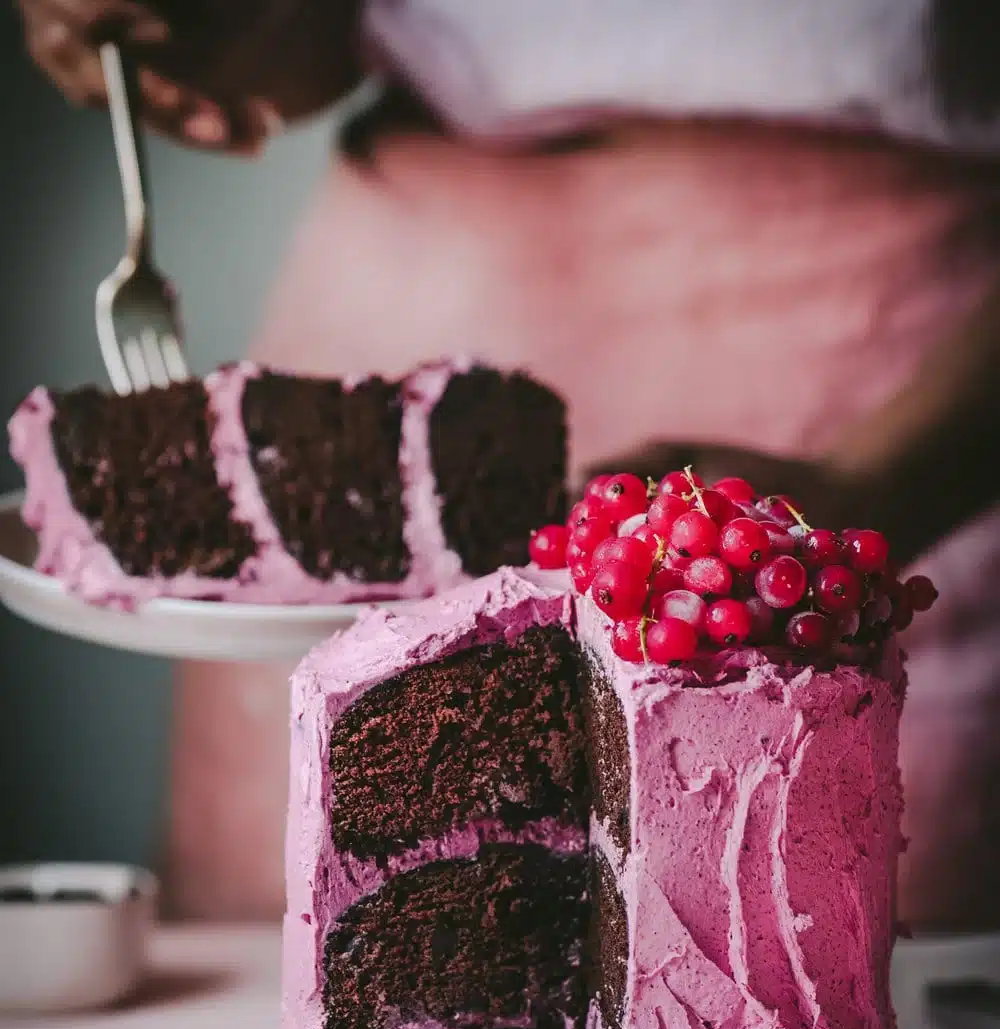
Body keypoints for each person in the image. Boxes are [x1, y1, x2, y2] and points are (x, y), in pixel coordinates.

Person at [18, 0, 1000, 928]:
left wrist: (886, 483)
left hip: (905, 377)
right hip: (404, 335)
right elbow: (318, 43)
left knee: (796, 970)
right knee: (311, 983)